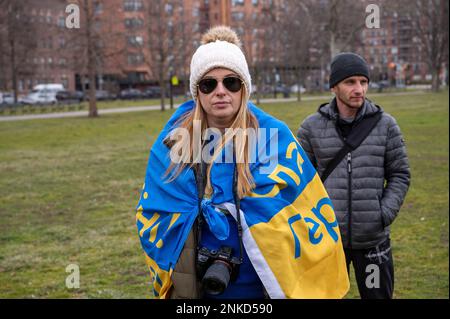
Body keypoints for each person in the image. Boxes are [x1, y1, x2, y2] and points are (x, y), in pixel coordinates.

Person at [135, 26, 349, 299]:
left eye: (231, 82)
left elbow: (305, 213)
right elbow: (152, 213)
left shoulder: (275, 139)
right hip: (198, 288)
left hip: (264, 288)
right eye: (208, 84)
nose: (220, 91)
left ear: (244, 88)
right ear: (197, 93)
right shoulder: (172, 145)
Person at [297, 52, 411, 299]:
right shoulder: (311, 128)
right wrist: (312, 220)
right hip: (326, 241)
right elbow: (298, 181)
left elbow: (400, 174)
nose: (359, 89)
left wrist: (383, 213)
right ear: (334, 86)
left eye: (363, 81)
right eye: (350, 82)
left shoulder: (386, 125)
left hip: (372, 241)